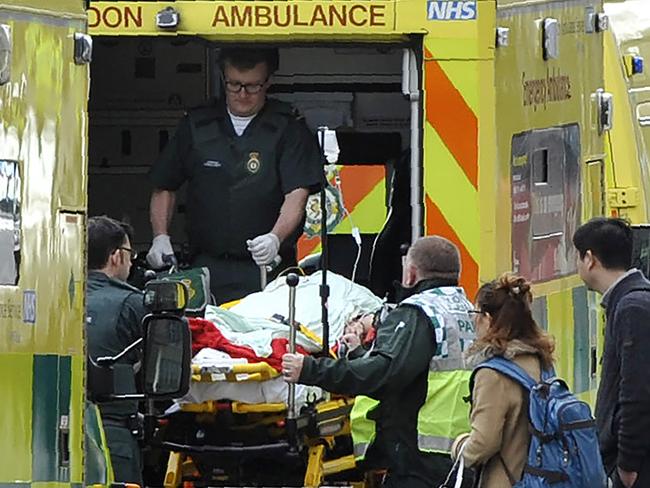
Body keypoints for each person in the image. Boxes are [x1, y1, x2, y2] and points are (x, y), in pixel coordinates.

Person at [282, 236, 476, 487]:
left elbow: (384, 373)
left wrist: (310, 369)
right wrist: (360, 354)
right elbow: (425, 368)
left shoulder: (418, 313)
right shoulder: (468, 311)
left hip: (420, 457)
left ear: (411, 273)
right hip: (462, 451)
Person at [147, 46, 323, 304]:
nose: (243, 94)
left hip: (265, 265)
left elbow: (297, 193)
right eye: (234, 85)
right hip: (206, 263)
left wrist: (275, 237)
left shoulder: (288, 127)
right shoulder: (198, 125)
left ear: (268, 82)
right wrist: (160, 237)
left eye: (253, 86)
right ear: (223, 79)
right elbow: (164, 184)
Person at [450, 274, 555, 487]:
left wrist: (459, 446)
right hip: (541, 478)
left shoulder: (492, 374)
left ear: (487, 319)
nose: (474, 321)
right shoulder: (541, 360)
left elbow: (483, 444)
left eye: (475, 313)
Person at [573, 217, 650, 488]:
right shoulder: (631, 302)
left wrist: (627, 466)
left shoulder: (633, 307)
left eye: (578, 258)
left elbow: (636, 393)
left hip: (635, 468)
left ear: (590, 259)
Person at [86, 216, 146, 485]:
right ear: (115, 257)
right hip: (112, 431)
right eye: (129, 253)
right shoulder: (132, 303)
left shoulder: (55, 298)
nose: (132, 261)